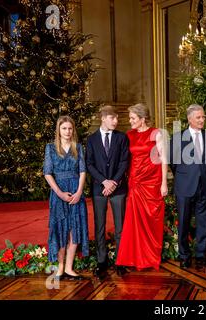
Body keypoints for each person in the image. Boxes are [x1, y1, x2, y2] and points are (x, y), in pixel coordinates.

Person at [116, 103, 168, 270]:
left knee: (152, 219)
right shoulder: (129, 135)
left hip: (152, 183)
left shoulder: (156, 133)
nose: (130, 121)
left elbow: (163, 159)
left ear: (142, 118)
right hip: (135, 182)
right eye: (130, 118)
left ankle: (151, 257)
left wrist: (164, 183)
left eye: (132, 118)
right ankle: (135, 258)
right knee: (134, 222)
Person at [86, 105, 129, 279]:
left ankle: (121, 261)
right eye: (113, 118)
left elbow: (124, 161)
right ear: (103, 118)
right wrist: (104, 181)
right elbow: (89, 163)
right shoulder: (92, 139)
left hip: (118, 189)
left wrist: (114, 182)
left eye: (117, 118)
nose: (116, 121)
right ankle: (101, 261)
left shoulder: (122, 137)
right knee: (100, 226)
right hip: (99, 188)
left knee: (120, 227)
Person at [43, 116, 89, 280]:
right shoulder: (50, 148)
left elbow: (83, 171)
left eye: (70, 128)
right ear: (59, 130)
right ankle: (60, 268)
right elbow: (47, 173)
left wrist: (78, 192)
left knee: (75, 229)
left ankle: (69, 267)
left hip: (76, 191)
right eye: (64, 128)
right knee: (61, 230)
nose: (67, 131)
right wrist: (60, 193)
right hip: (59, 193)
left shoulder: (78, 147)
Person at [169, 104, 206, 269]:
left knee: (203, 222)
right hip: (185, 186)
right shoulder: (178, 137)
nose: (202, 120)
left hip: (204, 186)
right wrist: (185, 176)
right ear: (189, 119)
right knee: (184, 222)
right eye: (198, 117)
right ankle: (184, 255)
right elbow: (173, 162)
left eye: (203, 117)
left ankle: (201, 254)